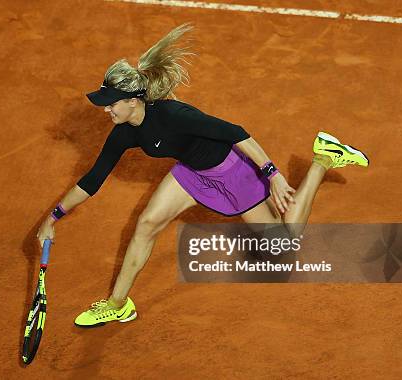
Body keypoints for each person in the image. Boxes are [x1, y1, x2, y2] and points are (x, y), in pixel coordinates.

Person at [36, 24, 369, 327]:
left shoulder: (173, 115)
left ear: (134, 101)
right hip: (190, 173)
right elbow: (93, 179)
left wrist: (272, 174)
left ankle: (323, 159)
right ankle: (117, 303)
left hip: (232, 172)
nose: (106, 110)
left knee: (283, 246)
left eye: (111, 104)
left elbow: (236, 132)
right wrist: (54, 216)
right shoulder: (124, 131)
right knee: (147, 224)